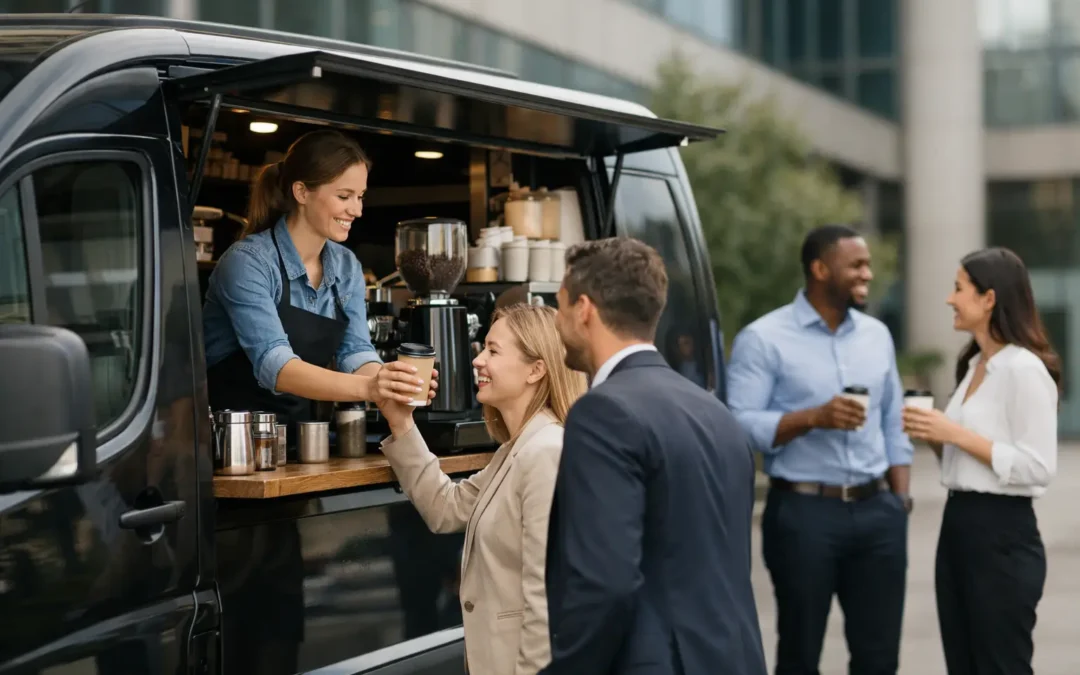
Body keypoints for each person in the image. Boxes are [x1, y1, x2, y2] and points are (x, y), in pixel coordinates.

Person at [541, 237, 767, 675]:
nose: (557, 319)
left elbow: (606, 582)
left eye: (560, 305)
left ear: (584, 309)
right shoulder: (715, 411)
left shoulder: (603, 412)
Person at [726, 224, 912, 675]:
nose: (868, 274)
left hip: (877, 514)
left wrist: (898, 501)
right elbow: (738, 425)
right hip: (804, 515)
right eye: (858, 265)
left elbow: (892, 421)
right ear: (820, 268)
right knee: (800, 652)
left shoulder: (876, 336)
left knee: (879, 656)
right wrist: (815, 417)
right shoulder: (763, 338)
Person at [373, 303, 586, 675]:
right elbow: (446, 507)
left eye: (493, 350)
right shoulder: (516, 449)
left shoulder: (545, 452)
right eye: (483, 348)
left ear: (536, 369)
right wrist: (401, 422)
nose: (477, 360)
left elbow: (548, 599)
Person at [202, 129, 434, 433]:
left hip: (304, 437)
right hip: (234, 443)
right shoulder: (248, 262)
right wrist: (370, 389)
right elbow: (276, 365)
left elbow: (355, 351)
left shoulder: (346, 265)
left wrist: (391, 382)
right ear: (301, 192)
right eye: (344, 196)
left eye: (360, 196)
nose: (357, 210)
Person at [902, 247, 1058, 675]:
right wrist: (933, 436)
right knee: (963, 663)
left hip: (1002, 535)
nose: (950, 299)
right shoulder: (973, 365)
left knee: (1000, 665)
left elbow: (1039, 468)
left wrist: (956, 434)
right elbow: (963, 459)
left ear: (989, 299)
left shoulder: (1024, 370)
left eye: (958, 289)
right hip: (959, 527)